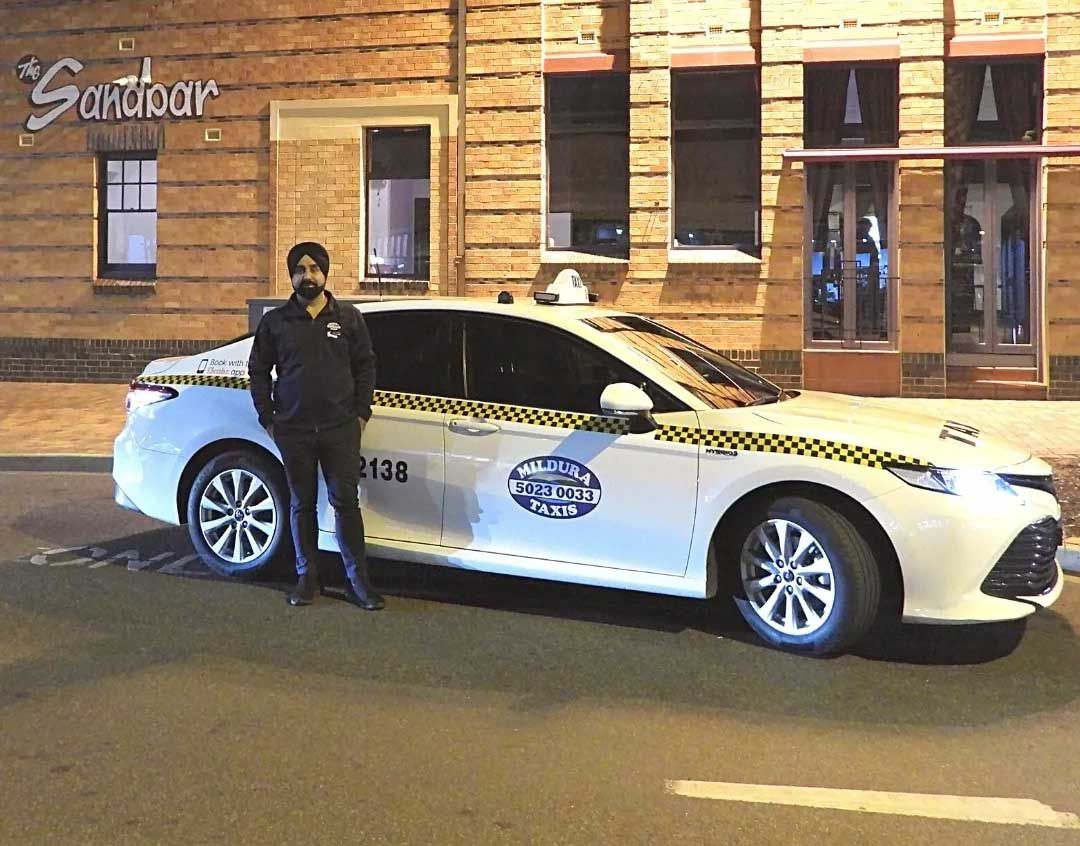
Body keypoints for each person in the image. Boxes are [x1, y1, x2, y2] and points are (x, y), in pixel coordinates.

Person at [247, 241, 383, 610]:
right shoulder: (275, 322)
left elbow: (366, 366)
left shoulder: (349, 318)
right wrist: (268, 418)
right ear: (291, 276)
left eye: (313, 269)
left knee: (346, 503)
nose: (307, 276)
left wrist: (361, 413)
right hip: (294, 430)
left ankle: (358, 582)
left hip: (340, 428)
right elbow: (258, 371)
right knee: (301, 504)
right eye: (299, 270)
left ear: (325, 272)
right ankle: (307, 578)